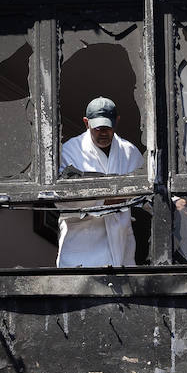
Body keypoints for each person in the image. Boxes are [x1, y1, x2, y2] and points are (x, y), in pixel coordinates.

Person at [56, 96, 145, 267]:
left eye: (107, 127)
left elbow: (149, 191)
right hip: (81, 248)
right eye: (97, 128)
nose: (103, 133)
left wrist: (175, 200)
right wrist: (104, 200)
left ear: (117, 122)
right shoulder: (70, 151)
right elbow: (62, 201)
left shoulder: (129, 152)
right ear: (86, 122)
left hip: (121, 245)